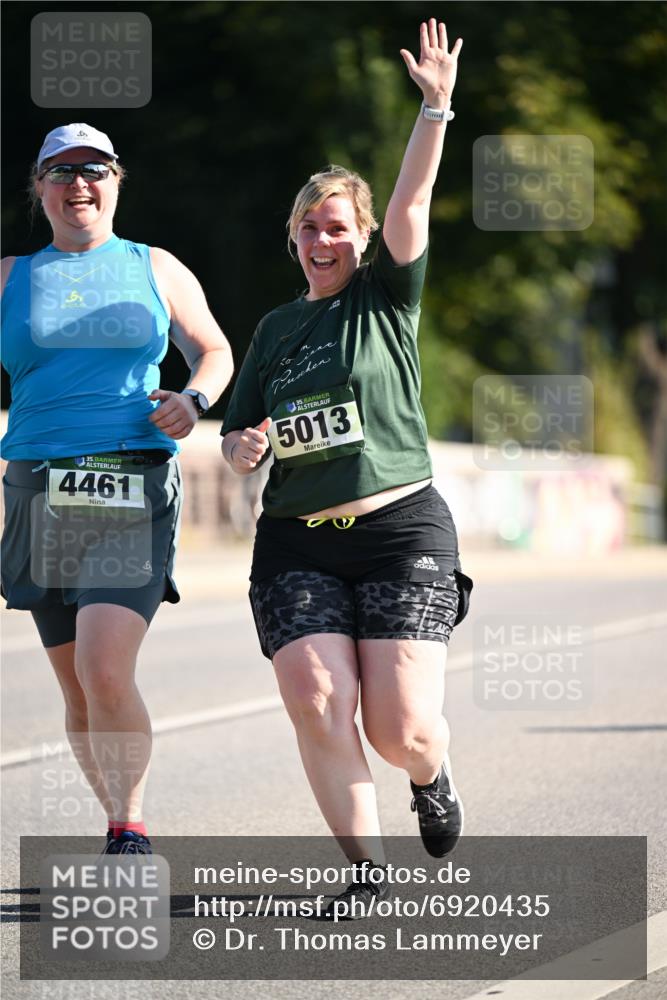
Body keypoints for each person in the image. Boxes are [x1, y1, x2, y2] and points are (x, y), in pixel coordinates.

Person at [221, 19, 471, 916]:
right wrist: (239, 444)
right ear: (291, 236)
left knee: (397, 728)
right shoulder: (274, 330)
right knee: (317, 699)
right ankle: (365, 872)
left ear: (362, 238)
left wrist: (434, 107)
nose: (321, 240)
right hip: (296, 541)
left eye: (337, 227)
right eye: (308, 228)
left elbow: (409, 201)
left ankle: (431, 776)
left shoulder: (386, 295)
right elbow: (238, 430)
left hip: (400, 530)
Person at [1, 123, 233, 854]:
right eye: (61, 173)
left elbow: (215, 350)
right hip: (37, 486)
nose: (79, 185)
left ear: (116, 182)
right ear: (39, 188)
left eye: (94, 171)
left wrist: (193, 401)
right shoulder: (10, 275)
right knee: (76, 690)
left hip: (131, 477)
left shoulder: (153, 266)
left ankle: (130, 828)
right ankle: (117, 819)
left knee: (105, 665)